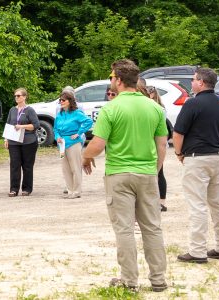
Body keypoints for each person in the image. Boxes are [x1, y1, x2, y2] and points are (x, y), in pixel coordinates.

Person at [82, 59, 168, 292]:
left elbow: (98, 144)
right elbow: (162, 145)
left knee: (124, 229)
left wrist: (85, 156)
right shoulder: (155, 108)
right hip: (147, 173)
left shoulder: (111, 108)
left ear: (118, 80)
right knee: (152, 227)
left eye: (112, 78)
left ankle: (130, 281)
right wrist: (155, 170)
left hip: (119, 174)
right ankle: (158, 278)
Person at [172, 67, 219, 264]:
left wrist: (179, 153)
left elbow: (178, 133)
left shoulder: (192, 104)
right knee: (218, 202)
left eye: (193, 80)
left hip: (197, 157)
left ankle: (197, 250)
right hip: (217, 155)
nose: (191, 83)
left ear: (201, 82)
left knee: (197, 204)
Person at [138, 80, 171, 212]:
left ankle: (161, 201)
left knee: (159, 172)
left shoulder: (158, 109)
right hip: (150, 142)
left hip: (156, 142)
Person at [53, 90, 93, 199]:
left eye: (63, 100)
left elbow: (89, 122)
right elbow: (55, 129)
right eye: (60, 100)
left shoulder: (76, 113)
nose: (61, 102)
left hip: (73, 143)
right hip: (62, 144)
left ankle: (77, 191)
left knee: (75, 167)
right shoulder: (60, 114)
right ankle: (70, 190)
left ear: (70, 101)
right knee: (65, 168)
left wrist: (79, 132)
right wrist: (58, 137)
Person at [5, 88, 39, 197]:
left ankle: (27, 188)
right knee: (14, 165)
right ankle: (14, 189)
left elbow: (35, 125)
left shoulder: (29, 110)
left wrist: (22, 126)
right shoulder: (12, 110)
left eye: (19, 96)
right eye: (15, 96)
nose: (16, 97)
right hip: (14, 141)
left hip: (28, 141)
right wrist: (6, 139)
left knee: (27, 165)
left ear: (24, 97)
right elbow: (9, 124)